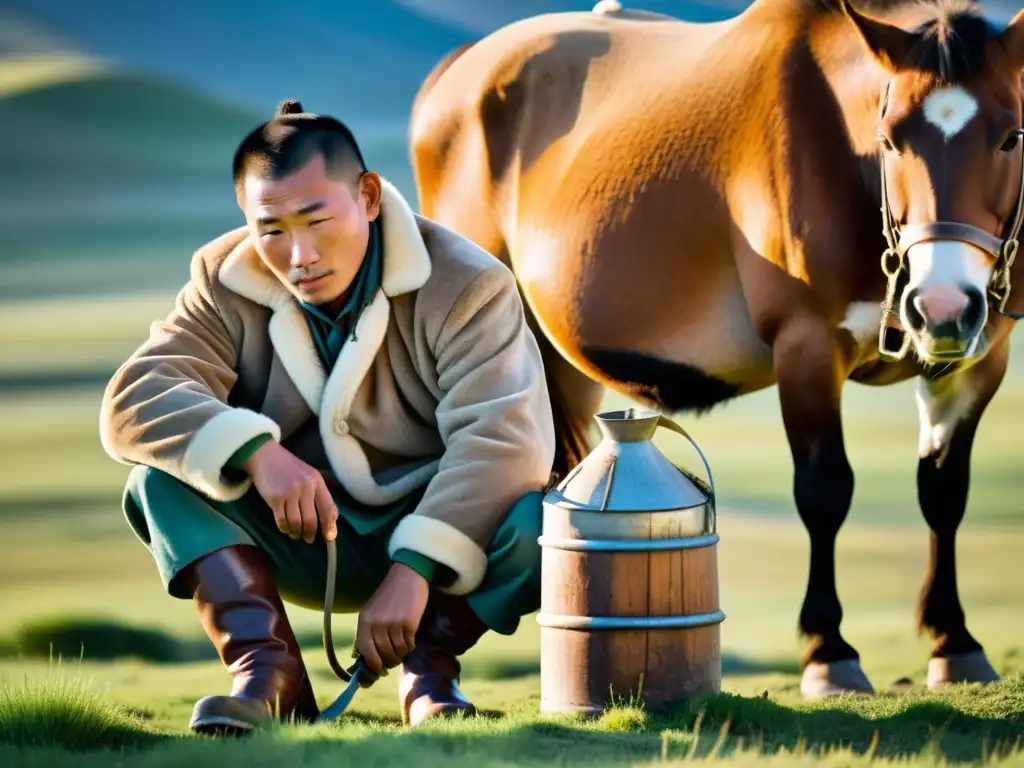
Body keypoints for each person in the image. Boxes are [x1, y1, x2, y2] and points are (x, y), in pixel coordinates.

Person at [98, 99, 556, 734]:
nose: (298, 255)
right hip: (298, 532)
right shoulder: (223, 278)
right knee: (157, 481)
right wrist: (256, 454)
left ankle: (428, 673)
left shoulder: (468, 282)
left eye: (317, 219)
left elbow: (506, 442)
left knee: (544, 525)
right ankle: (269, 672)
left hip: (440, 535)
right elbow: (135, 395)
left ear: (368, 196)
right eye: (272, 229)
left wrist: (417, 567)